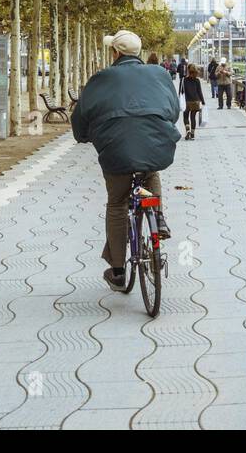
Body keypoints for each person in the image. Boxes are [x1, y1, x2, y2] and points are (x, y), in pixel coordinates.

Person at [71, 30, 181, 292]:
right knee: (150, 169)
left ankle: (118, 271)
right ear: (139, 52)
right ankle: (159, 216)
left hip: (115, 150)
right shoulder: (159, 74)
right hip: (155, 144)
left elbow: (81, 116)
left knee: (117, 204)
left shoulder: (101, 78)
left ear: (115, 53)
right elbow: (174, 111)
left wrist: (83, 136)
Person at [182, 64, 205, 139]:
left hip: (187, 102)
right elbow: (200, 92)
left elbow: (182, 91)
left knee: (185, 116)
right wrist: (203, 102)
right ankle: (192, 134)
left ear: (188, 70)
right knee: (193, 117)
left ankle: (187, 130)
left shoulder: (184, 80)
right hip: (196, 101)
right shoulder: (197, 80)